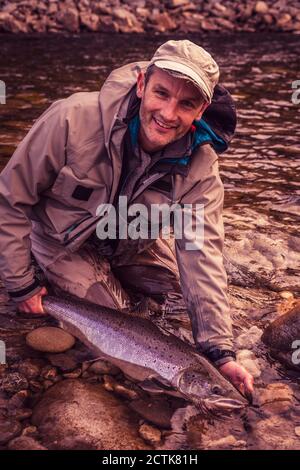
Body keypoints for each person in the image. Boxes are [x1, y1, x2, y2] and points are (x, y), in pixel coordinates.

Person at [0, 40, 253, 397]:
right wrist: (20, 284)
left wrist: (219, 352)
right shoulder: (71, 119)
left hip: (130, 242)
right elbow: (10, 199)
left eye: (186, 104)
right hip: (62, 241)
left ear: (202, 110)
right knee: (124, 340)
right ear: (141, 85)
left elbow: (201, 253)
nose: (168, 113)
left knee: (179, 300)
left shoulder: (201, 168)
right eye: (161, 93)